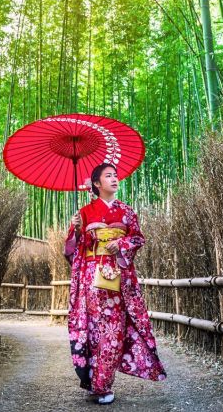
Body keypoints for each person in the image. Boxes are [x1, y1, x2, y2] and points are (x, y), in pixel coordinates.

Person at [63, 162, 166, 405]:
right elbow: (75, 250)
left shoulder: (127, 212)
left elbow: (138, 238)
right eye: (108, 176)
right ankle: (95, 380)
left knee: (113, 330)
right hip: (91, 277)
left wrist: (120, 244)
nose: (114, 179)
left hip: (117, 277)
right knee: (93, 331)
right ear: (96, 184)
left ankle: (103, 385)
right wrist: (77, 230)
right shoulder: (85, 212)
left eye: (115, 175)